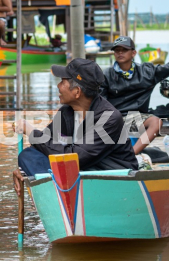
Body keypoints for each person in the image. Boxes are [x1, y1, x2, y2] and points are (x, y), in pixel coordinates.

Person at [13, 58, 138, 192]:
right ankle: (57, 196)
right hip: (81, 172)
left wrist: (32, 133)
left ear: (77, 92)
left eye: (62, 82)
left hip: (111, 176)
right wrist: (22, 171)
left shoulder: (109, 118)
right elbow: (44, 145)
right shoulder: (67, 112)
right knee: (28, 156)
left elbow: (75, 157)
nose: (58, 86)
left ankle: (59, 194)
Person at [102, 36, 169, 155]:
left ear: (133, 53)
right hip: (115, 118)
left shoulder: (147, 72)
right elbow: (102, 103)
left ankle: (132, 153)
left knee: (156, 122)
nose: (120, 53)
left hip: (135, 119)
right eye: (117, 50)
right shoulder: (106, 74)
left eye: (124, 50)